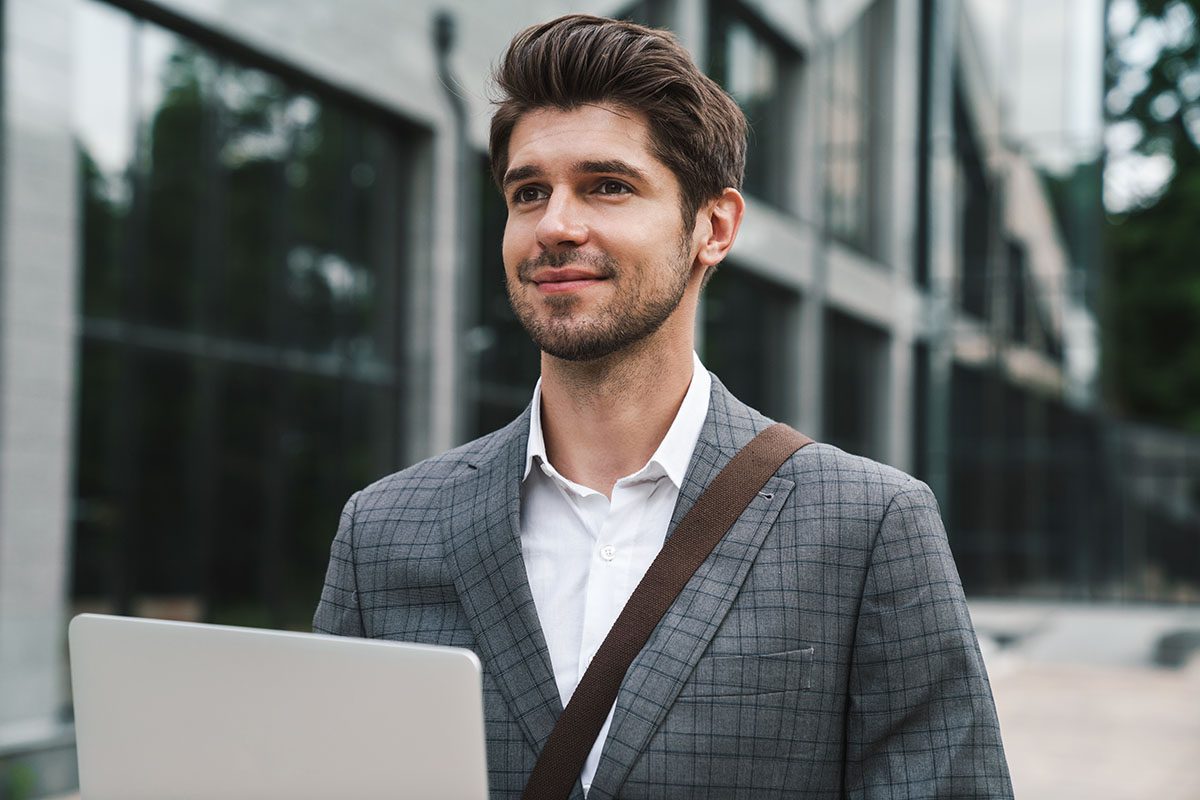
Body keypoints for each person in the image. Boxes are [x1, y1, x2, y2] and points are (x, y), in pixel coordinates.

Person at [315, 13, 1013, 799]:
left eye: (607, 186)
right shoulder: (381, 533)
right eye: (529, 192)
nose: (556, 225)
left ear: (713, 227)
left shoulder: (868, 526)